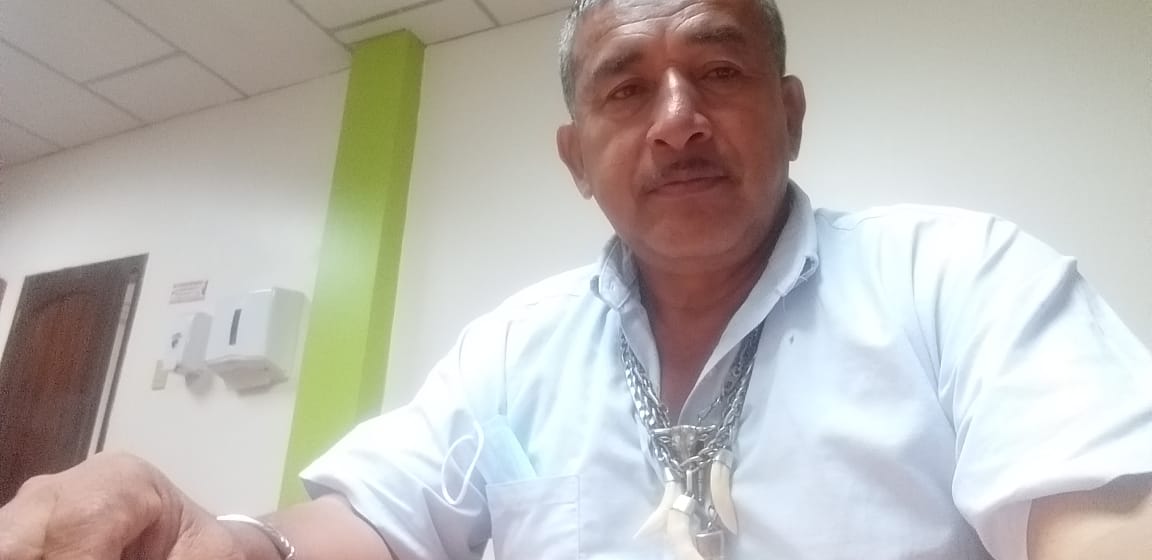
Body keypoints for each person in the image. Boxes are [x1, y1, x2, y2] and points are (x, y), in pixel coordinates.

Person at [2, 0, 1150, 558]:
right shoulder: (513, 351)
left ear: (791, 113)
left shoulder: (962, 276)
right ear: (575, 156)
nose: (678, 120)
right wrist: (226, 540)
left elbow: (1102, 524)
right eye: (624, 89)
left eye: (719, 70)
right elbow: (375, 518)